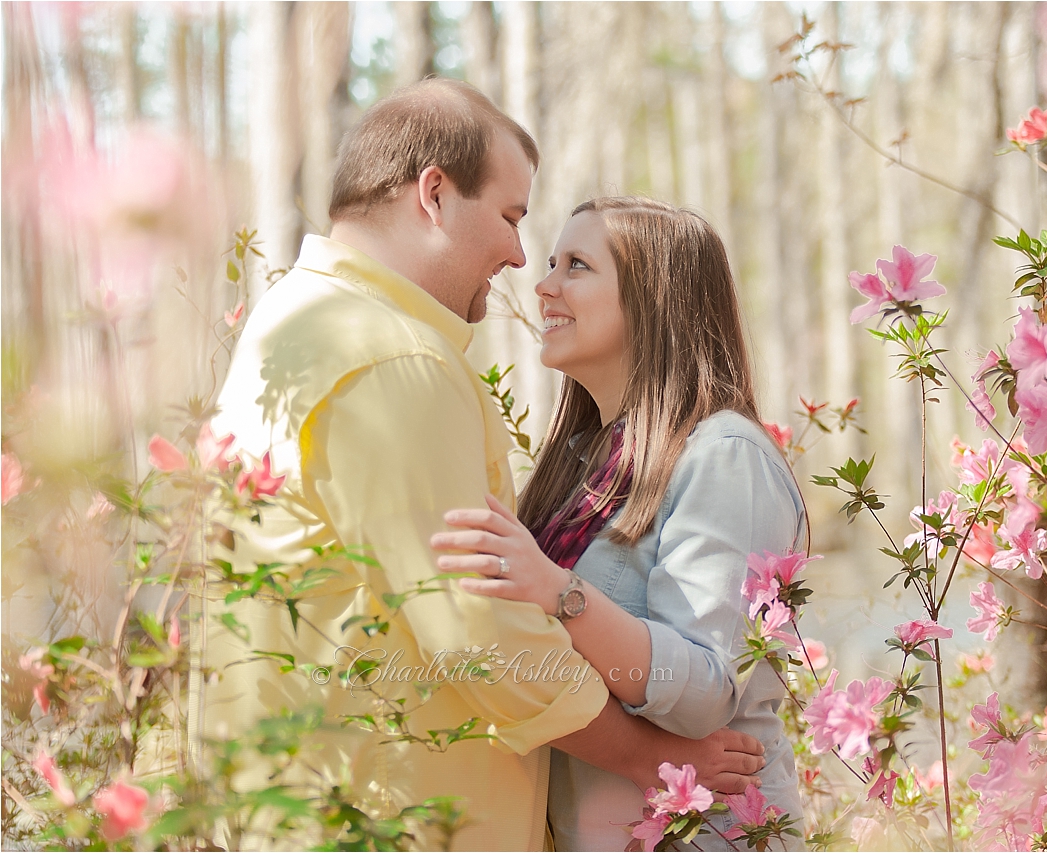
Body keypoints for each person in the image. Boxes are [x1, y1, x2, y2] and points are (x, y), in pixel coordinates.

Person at [195, 81, 763, 851]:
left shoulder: (295, 324)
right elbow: (475, 626)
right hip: (396, 817)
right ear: (434, 194)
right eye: (511, 217)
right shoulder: (390, 358)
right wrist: (644, 754)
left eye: (572, 261)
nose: (521, 258)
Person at [431, 197, 807, 850]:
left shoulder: (722, 455)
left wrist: (558, 592)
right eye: (552, 262)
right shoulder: (581, 467)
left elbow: (703, 691)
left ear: (652, 301)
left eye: (577, 265)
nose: (544, 284)